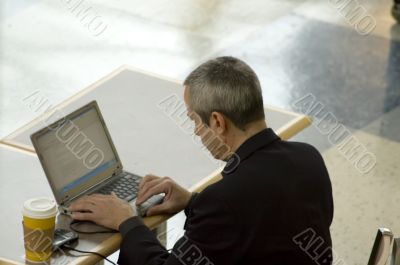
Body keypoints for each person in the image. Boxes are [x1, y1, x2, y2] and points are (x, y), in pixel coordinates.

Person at [69, 56, 334, 265]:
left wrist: (126, 221)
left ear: (217, 121)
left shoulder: (225, 200)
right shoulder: (309, 158)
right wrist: (192, 201)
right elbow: (264, 220)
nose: (196, 131)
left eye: (195, 120)